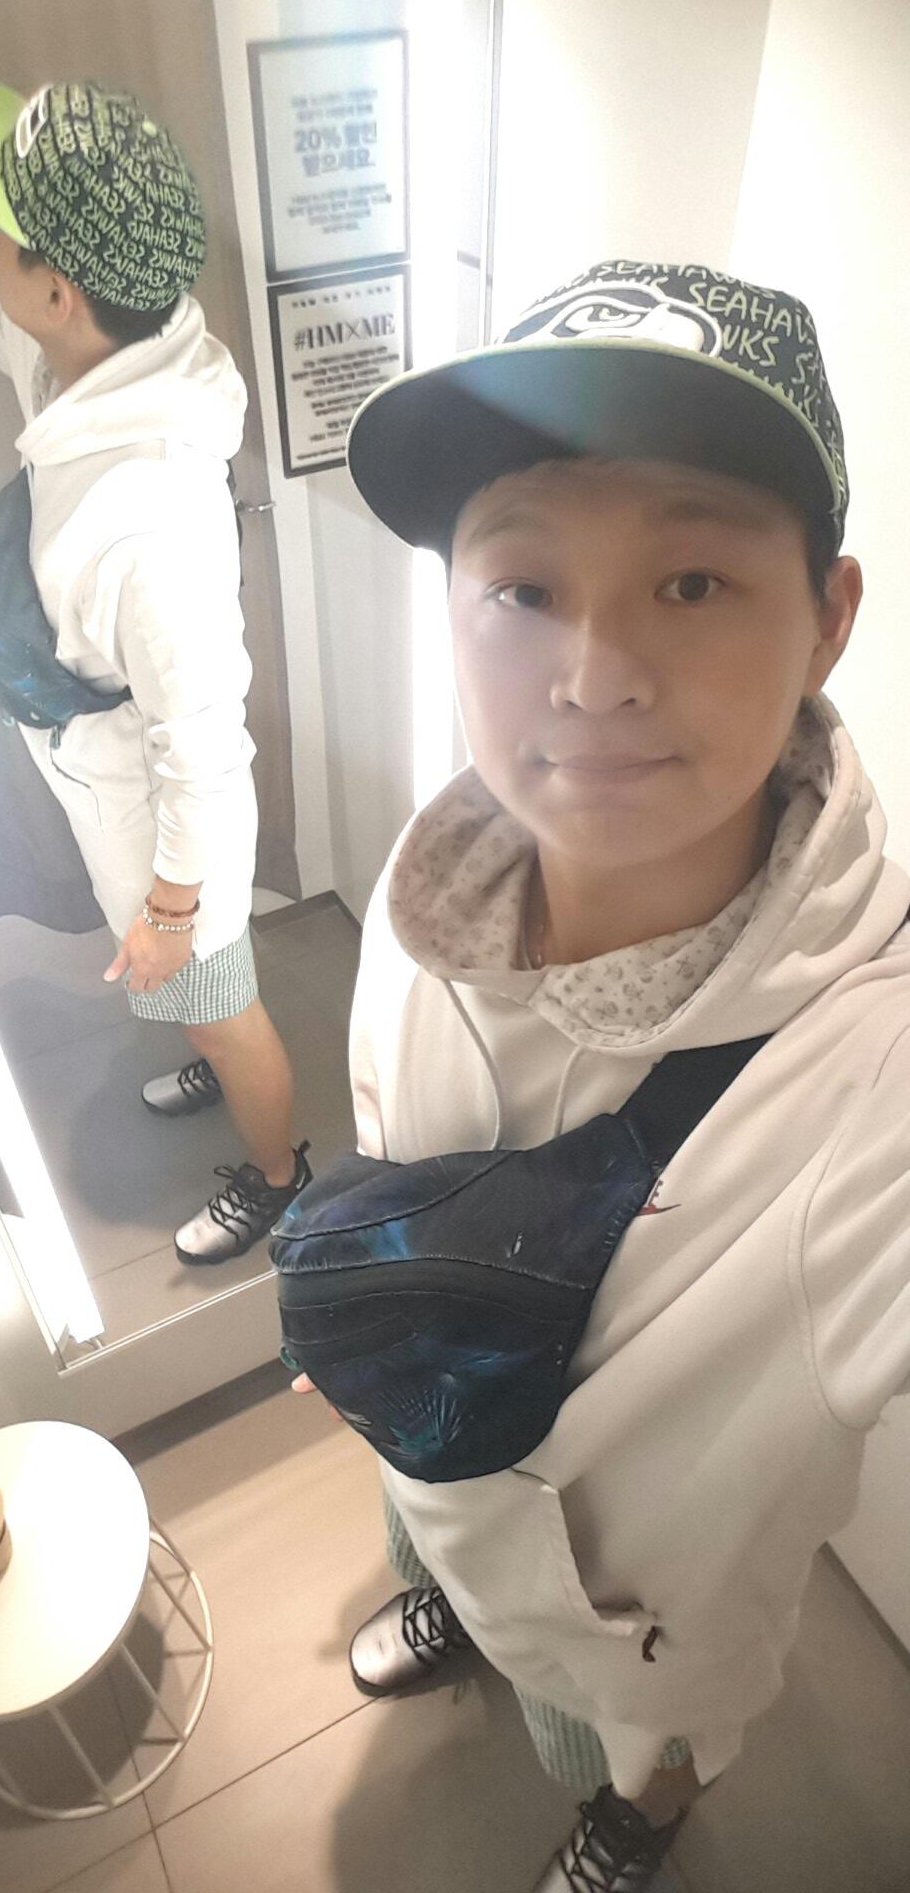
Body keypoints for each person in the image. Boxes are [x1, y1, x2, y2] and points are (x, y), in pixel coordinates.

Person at [297, 262, 910, 1889]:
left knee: (625, 1749)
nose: (592, 674)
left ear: (827, 619)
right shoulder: (435, 885)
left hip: (625, 1631)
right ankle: (448, 1587)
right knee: (435, 1526)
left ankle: (634, 1828)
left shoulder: (877, 1076)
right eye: (521, 586)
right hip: (435, 1455)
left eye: (692, 582)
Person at [0, 78, 310, 1263]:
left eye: (4, 227)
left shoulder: (152, 517)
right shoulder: (91, 344)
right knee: (187, 993)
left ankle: (280, 1175)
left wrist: (171, 912)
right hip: (113, 777)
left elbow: (205, 748)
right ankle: (203, 1037)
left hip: (167, 818)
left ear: (60, 291)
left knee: (220, 1004)